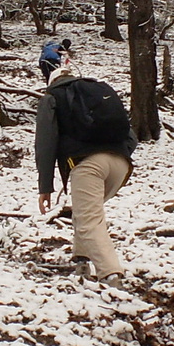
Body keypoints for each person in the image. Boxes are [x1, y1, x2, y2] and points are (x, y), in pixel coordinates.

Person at [34, 51, 136, 287]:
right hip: (120, 164)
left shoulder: (52, 98)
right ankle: (81, 260)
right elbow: (131, 136)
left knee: (90, 220)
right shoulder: (95, 95)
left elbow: (45, 144)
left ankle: (112, 276)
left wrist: (45, 187)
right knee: (86, 210)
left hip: (87, 165)